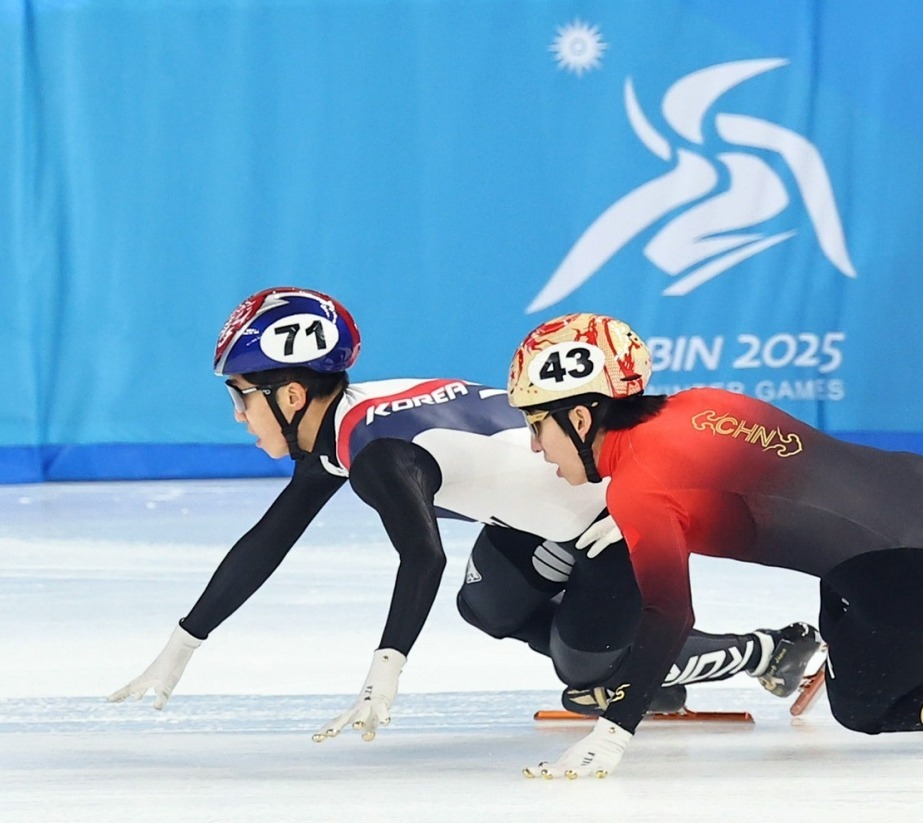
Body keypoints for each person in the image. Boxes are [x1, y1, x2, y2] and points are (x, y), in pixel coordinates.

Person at [108, 288, 819, 741]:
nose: (238, 416)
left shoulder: (378, 451)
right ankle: (639, 663)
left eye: (240, 398)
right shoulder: (345, 429)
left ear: (291, 395)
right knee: (485, 606)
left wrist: (382, 673)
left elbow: (423, 554)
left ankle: (770, 648)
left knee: (583, 673)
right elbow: (270, 538)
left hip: (618, 512)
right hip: (544, 515)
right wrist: (179, 648)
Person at [507, 312, 923, 779]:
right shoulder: (701, 404)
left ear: (581, 418)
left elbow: (669, 616)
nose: (537, 447)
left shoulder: (639, 489)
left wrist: (613, 733)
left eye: (538, 427)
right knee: (855, 620)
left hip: (913, 574)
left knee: (860, 708)